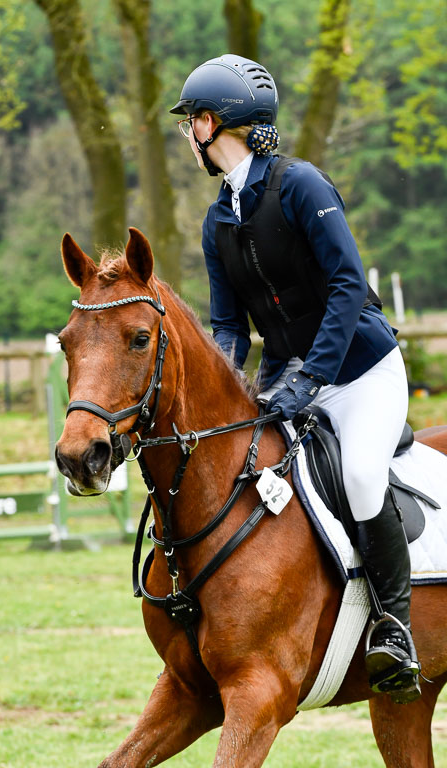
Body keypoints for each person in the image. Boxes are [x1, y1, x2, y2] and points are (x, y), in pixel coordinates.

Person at [170, 54, 420, 703]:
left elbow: (346, 287)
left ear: (223, 124)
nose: (187, 135)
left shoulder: (303, 186)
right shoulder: (217, 219)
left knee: (363, 475)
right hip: (288, 378)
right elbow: (227, 325)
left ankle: (395, 626)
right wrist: (219, 393)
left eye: (193, 120)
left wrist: (313, 376)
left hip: (362, 370)